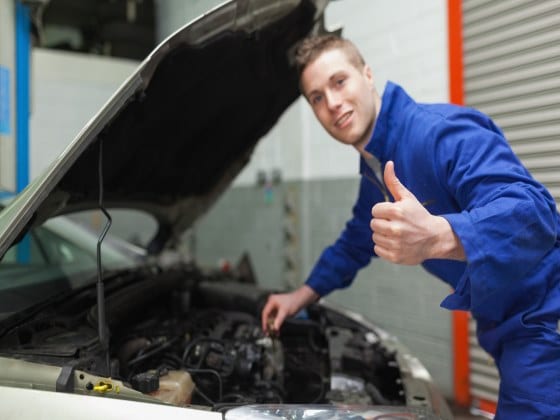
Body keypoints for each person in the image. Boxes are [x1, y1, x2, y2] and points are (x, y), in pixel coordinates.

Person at [260, 34, 560, 418]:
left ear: (367, 75)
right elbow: (354, 242)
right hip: (509, 328)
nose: (332, 103)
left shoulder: (439, 132)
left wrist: (441, 235)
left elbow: (533, 212)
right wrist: (299, 296)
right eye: (317, 97)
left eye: (339, 82)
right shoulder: (376, 169)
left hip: (545, 321)